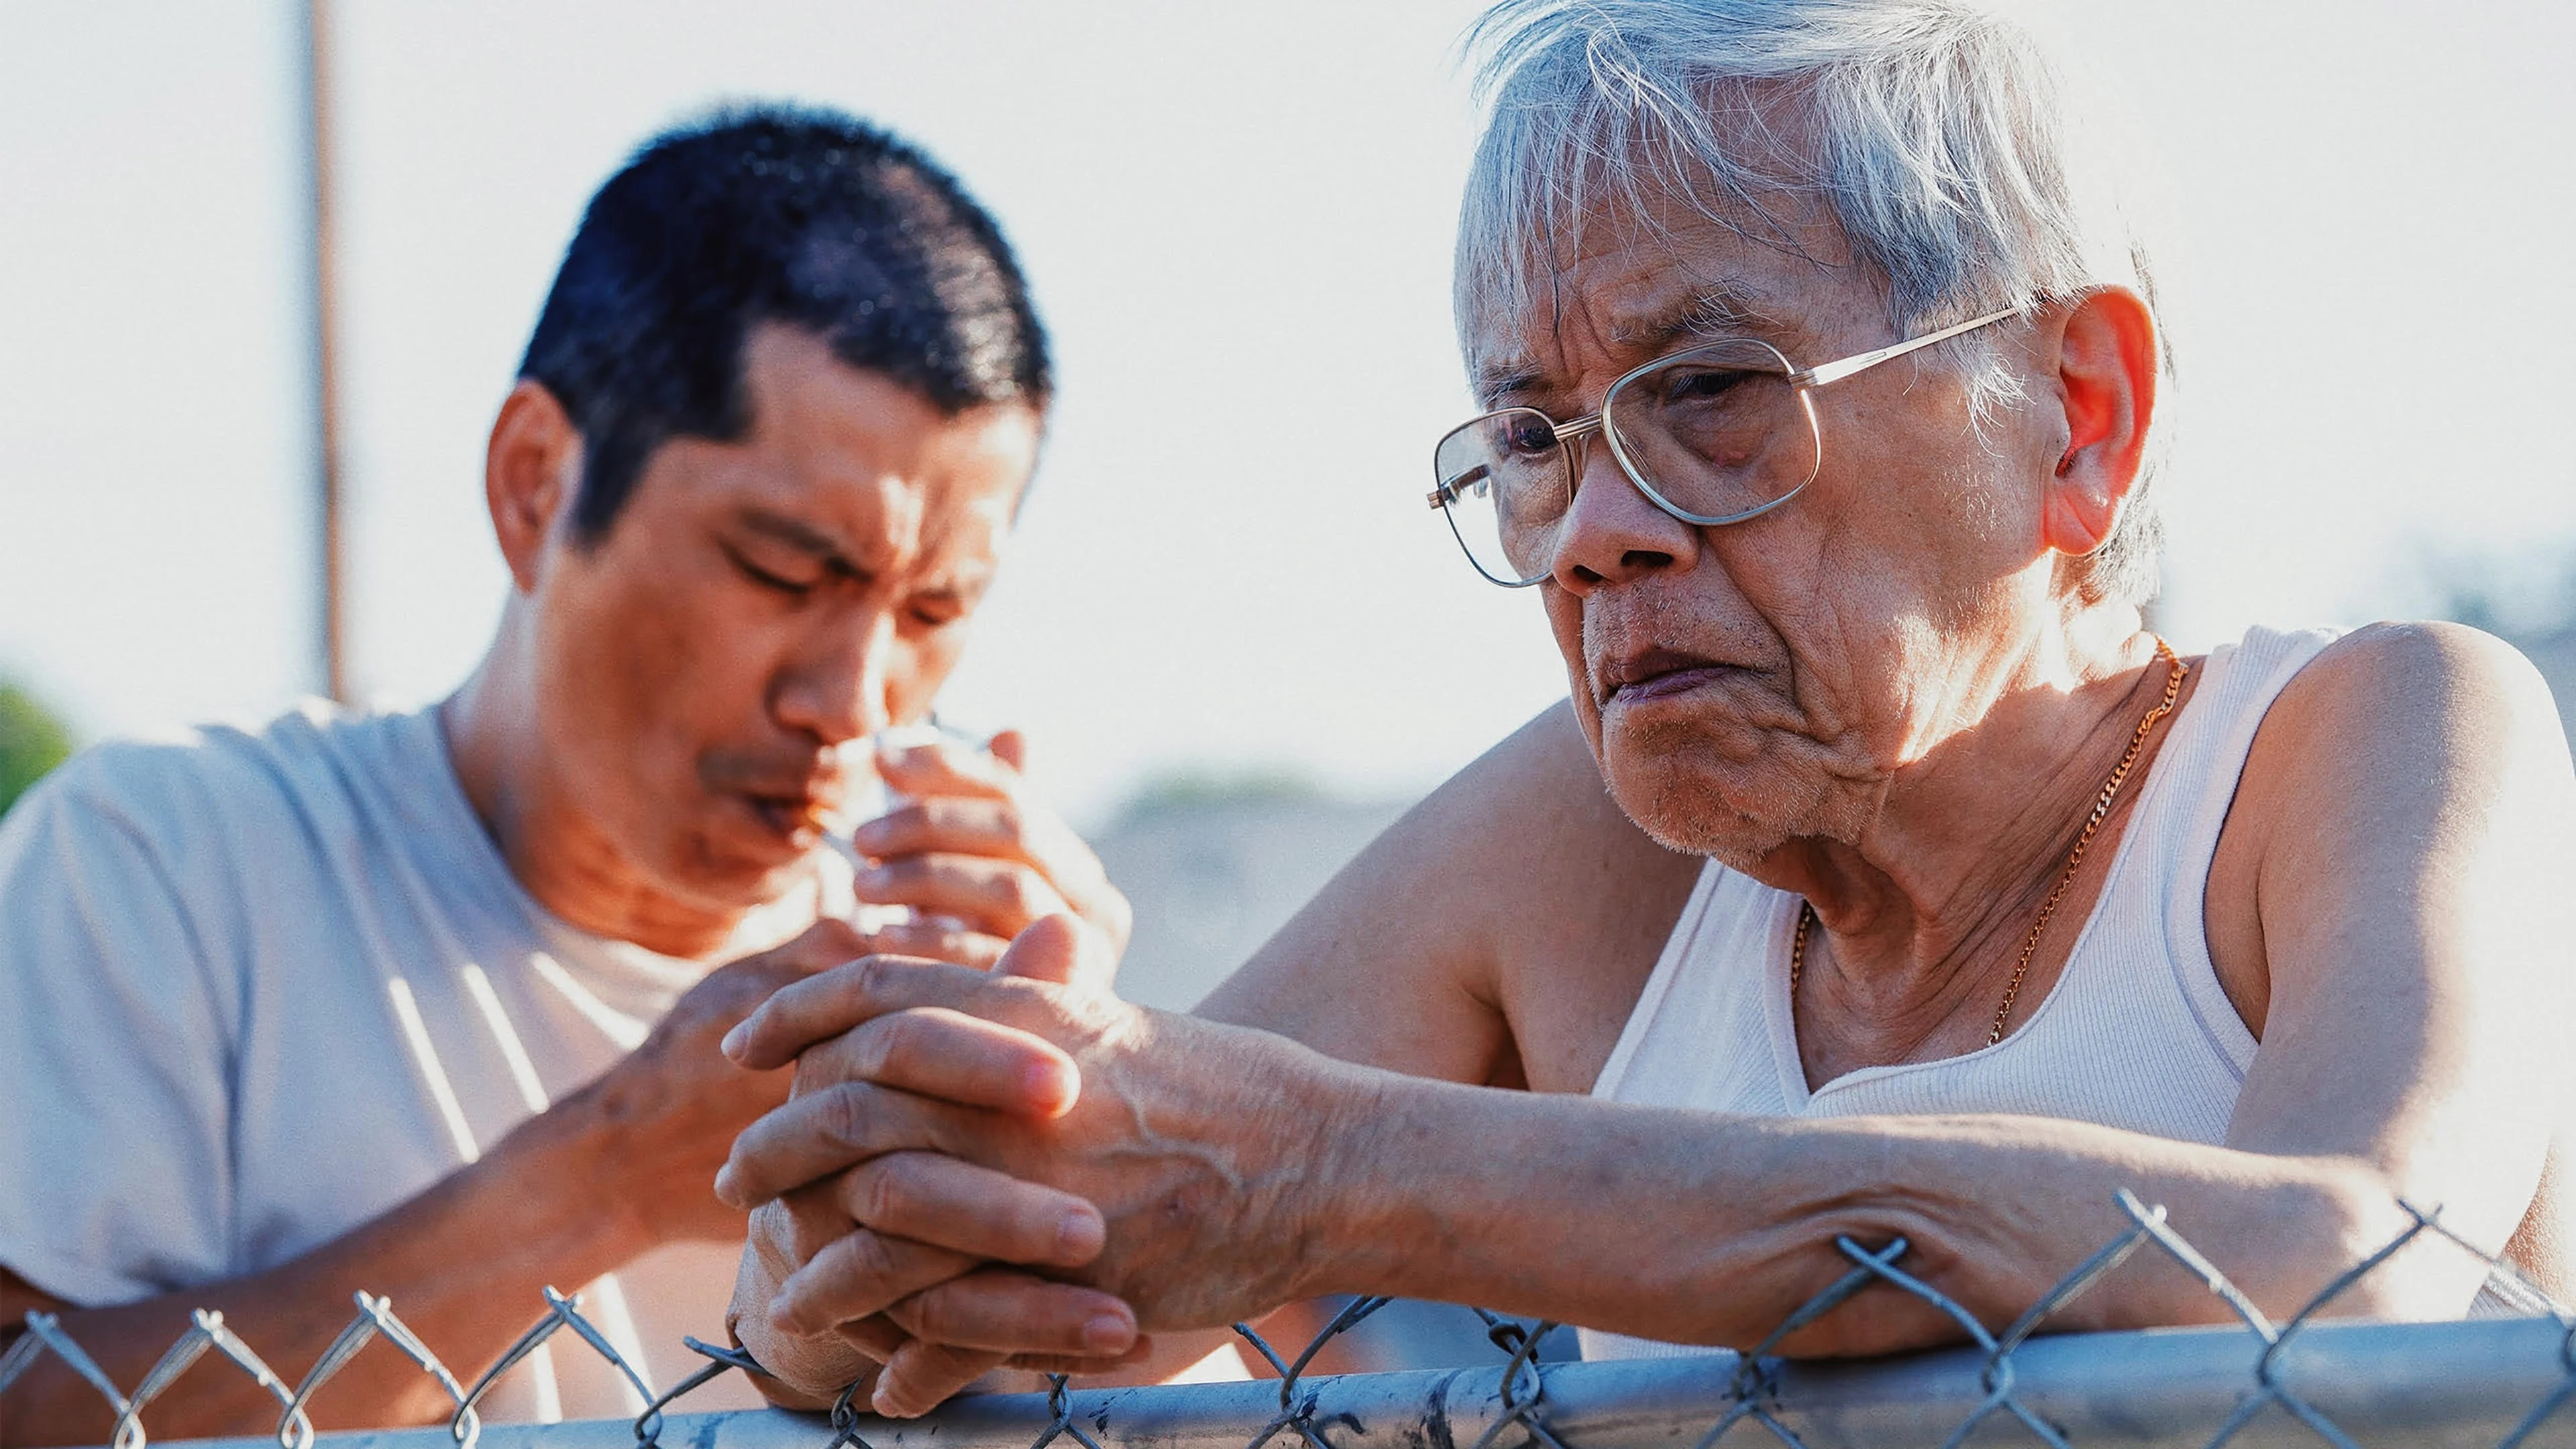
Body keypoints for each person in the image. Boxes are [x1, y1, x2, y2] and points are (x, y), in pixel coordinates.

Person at [707, 0, 2576, 1417]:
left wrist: (1341, 1173)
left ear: (2078, 410)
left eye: (1714, 393)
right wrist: (869, 1237)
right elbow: (1104, 1253)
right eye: (1533, 439)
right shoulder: (1592, 844)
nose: (1594, 536)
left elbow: (2352, 1267)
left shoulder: (2365, 739)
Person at [0, 106, 1128, 1442]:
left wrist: (1096, 1118)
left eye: (935, 611)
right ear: (536, 485)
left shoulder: (934, 987)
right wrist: (613, 1168)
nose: (853, 701)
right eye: (783, 572)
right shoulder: (168, 862)